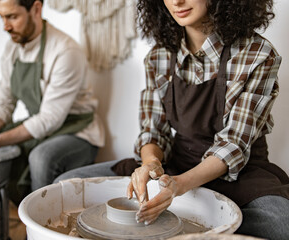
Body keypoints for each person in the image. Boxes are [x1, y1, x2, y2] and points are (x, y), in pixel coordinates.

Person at [54, 0, 289, 239]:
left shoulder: (257, 54)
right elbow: (153, 132)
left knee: (280, 224)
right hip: (177, 164)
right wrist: (150, 164)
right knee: (65, 183)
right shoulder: (160, 56)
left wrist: (178, 187)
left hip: (238, 174)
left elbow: (233, 145)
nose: (176, 1)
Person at [0, 0, 104, 205]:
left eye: (12, 17)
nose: (5, 26)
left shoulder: (65, 51)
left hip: (78, 131)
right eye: (2, 17)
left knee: (41, 158)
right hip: (42, 124)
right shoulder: (12, 50)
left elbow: (49, 119)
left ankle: (38, 232)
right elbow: (3, 105)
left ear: (36, 9)